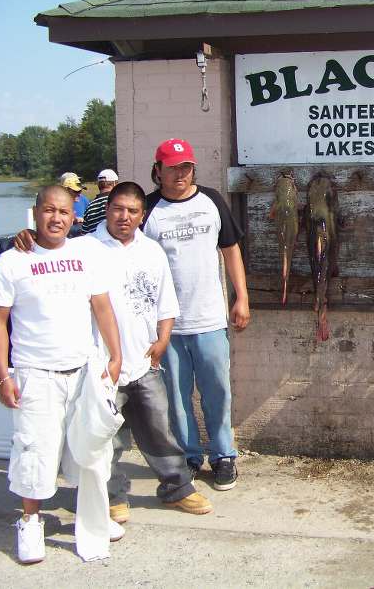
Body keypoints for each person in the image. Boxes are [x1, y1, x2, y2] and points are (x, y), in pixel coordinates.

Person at [14, 182, 215, 523]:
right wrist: (25, 237)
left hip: (144, 361)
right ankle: (111, 496)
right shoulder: (83, 248)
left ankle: (177, 488)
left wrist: (163, 339)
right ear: (107, 209)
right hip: (100, 364)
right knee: (107, 437)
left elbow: (166, 302)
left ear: (142, 215)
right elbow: (47, 249)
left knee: (160, 430)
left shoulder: (152, 251)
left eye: (132, 211)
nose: (124, 217)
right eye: (118, 209)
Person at [0, 185, 123, 564]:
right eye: (49, 210)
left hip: (83, 371)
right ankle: (30, 521)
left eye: (64, 211)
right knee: (36, 452)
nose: (56, 218)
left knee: (92, 450)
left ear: (73, 215)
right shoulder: (12, 262)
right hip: (36, 374)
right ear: (35, 213)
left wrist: (116, 355)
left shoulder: (84, 255)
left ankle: (92, 518)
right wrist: (3, 375)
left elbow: (103, 307)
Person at [143, 138, 250, 490]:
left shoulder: (211, 201)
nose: (180, 174)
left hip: (210, 318)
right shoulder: (147, 209)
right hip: (166, 327)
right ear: (157, 171)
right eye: (172, 167)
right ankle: (189, 456)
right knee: (176, 396)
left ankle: (223, 456)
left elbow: (231, 249)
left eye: (186, 167)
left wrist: (241, 298)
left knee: (217, 390)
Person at [82, 169, 119, 234]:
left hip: (94, 243)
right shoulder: (117, 201)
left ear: (98, 185)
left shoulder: (90, 206)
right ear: (114, 184)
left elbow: (84, 233)